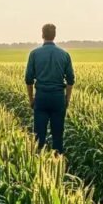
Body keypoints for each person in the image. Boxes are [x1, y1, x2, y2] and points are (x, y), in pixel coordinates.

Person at [24, 23, 75, 154]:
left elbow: (28, 79)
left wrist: (31, 99)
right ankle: (57, 161)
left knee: (38, 137)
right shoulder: (64, 54)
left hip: (41, 97)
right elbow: (70, 80)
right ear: (54, 35)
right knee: (58, 135)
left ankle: (39, 161)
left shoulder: (34, 54)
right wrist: (67, 99)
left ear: (42, 35)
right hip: (58, 98)